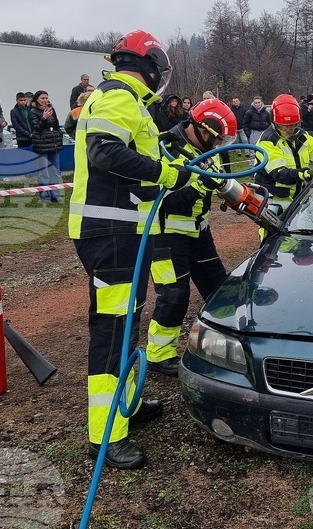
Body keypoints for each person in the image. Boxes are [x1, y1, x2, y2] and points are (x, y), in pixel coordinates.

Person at [69, 29, 191, 470]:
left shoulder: (127, 100)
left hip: (123, 230)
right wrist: (165, 173)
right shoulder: (119, 95)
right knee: (113, 331)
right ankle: (104, 434)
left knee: (129, 322)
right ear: (150, 65)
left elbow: (130, 166)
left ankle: (127, 405)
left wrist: (172, 171)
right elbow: (104, 153)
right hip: (111, 231)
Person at [145, 99, 233, 376]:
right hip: (166, 233)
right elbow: (168, 202)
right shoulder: (166, 149)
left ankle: (227, 347)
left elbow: (218, 182)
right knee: (174, 294)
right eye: (217, 138)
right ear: (204, 130)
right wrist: (199, 186)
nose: (219, 144)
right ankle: (159, 355)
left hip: (198, 231)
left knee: (219, 288)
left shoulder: (208, 150)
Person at [255, 93, 313, 211]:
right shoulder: (267, 142)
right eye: (284, 126)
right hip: (272, 198)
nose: (289, 130)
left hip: (294, 196)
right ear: (274, 123)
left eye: (292, 125)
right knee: (270, 229)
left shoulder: (301, 135)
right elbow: (279, 174)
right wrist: (301, 174)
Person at [29, 90, 64, 203]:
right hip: (41, 144)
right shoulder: (33, 111)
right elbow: (36, 128)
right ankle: (45, 196)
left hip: (53, 143)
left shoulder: (51, 110)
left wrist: (58, 134)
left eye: (46, 98)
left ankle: (55, 194)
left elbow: (56, 125)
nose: (45, 100)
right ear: (36, 99)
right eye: (42, 98)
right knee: (43, 171)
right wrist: (44, 118)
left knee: (55, 171)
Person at [242, 96, 271, 165]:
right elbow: (245, 124)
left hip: (264, 133)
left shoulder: (266, 113)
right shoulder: (249, 113)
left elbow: (270, 123)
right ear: (253, 103)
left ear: (261, 103)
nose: (257, 104)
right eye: (256, 103)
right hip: (254, 133)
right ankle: (252, 169)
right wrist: (249, 134)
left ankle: (265, 167)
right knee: (253, 152)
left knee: (265, 150)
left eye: (259, 102)